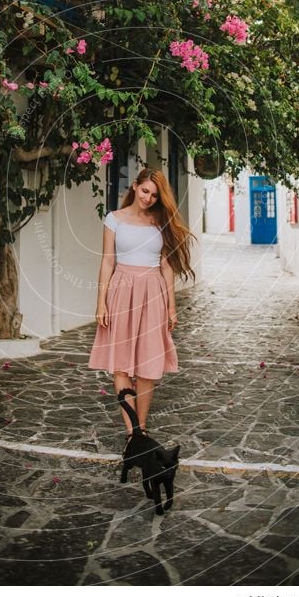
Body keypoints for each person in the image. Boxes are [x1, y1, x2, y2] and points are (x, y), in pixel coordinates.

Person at [88, 167, 195, 447]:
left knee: (148, 364)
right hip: (121, 291)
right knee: (121, 365)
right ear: (135, 187)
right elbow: (107, 262)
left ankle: (142, 428)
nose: (148, 197)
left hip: (152, 292)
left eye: (154, 194)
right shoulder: (114, 220)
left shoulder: (161, 221)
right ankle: (131, 430)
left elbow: (166, 265)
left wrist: (171, 306)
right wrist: (101, 302)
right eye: (145, 190)